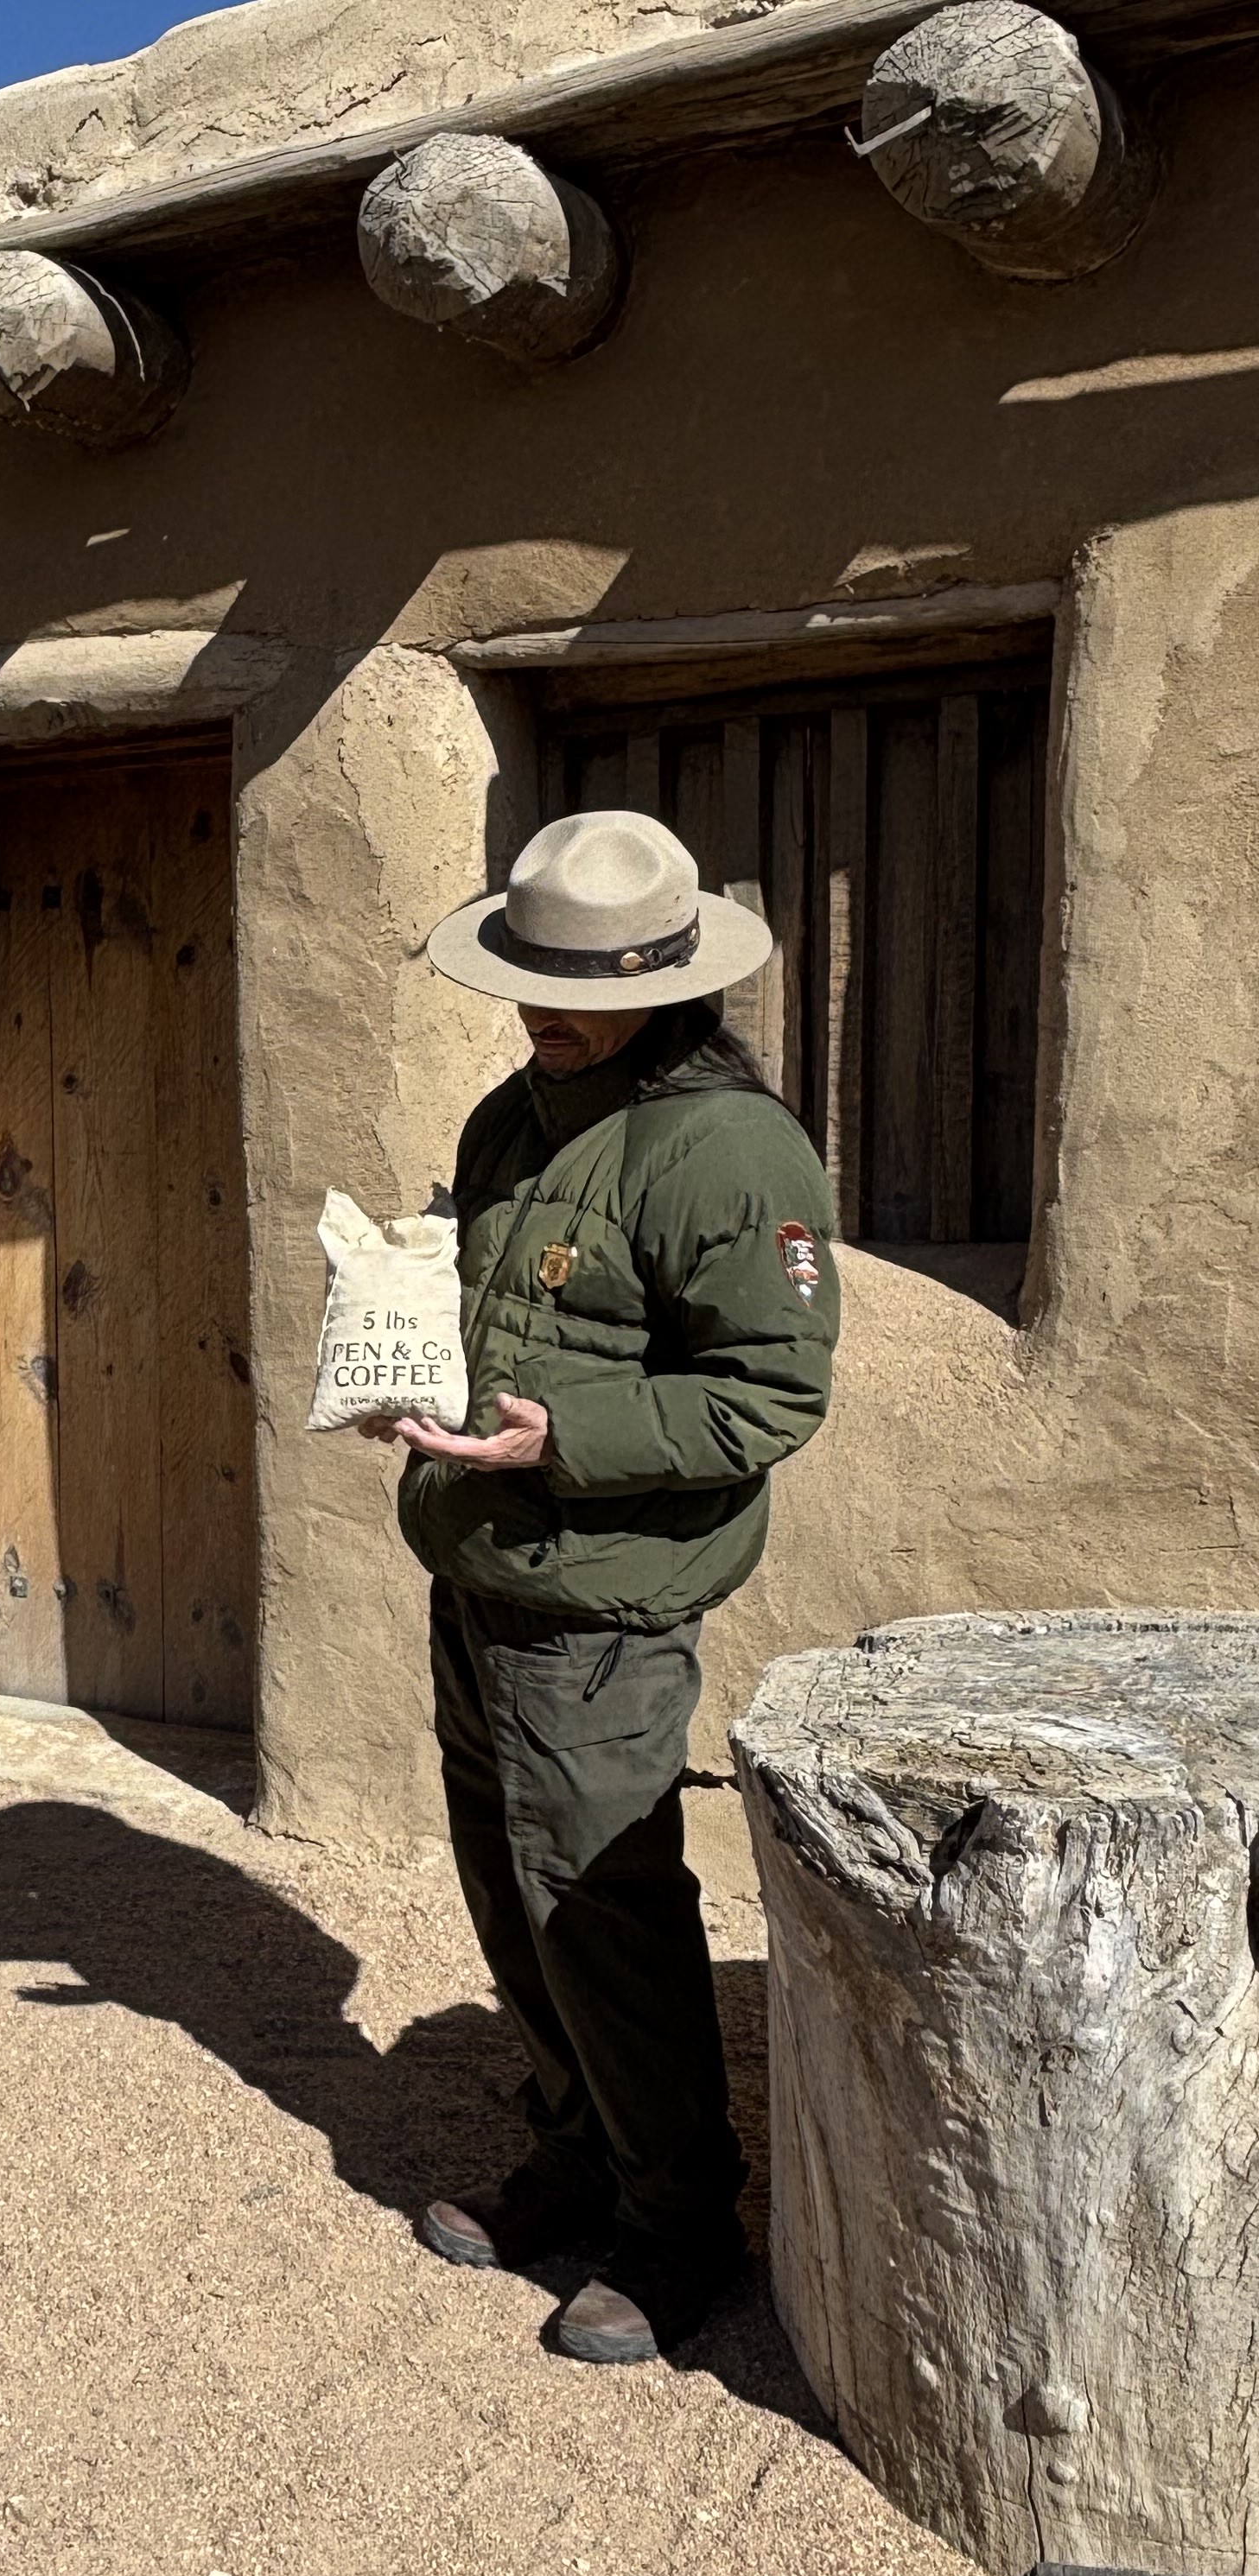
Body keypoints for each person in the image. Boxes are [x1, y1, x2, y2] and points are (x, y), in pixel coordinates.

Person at [366, 808, 838, 2367]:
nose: (533, 1009)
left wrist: (564, 1434)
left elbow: (771, 1400)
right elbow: (491, 1289)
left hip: (601, 1603)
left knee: (602, 1911)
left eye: (568, 985)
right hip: (480, 1564)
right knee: (511, 1890)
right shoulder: (516, 1114)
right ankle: (578, 2154)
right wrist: (395, 1330)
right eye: (526, 977)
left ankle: (678, 2223)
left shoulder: (733, 1151)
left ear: (667, 981)